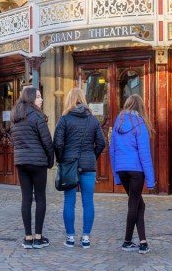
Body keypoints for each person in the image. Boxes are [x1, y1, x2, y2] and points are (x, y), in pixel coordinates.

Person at [53, 88, 106, 249]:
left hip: (69, 164)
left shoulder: (64, 119)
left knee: (69, 201)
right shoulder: (93, 120)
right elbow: (101, 143)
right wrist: (91, 156)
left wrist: (61, 159)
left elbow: (58, 143)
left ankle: (70, 237)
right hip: (88, 164)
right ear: (83, 99)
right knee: (88, 202)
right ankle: (85, 237)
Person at [109, 94, 155, 254]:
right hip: (136, 170)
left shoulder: (118, 122)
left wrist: (116, 175)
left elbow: (112, 150)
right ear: (140, 107)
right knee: (134, 204)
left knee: (139, 204)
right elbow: (144, 153)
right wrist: (150, 181)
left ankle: (141, 241)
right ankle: (129, 241)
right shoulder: (140, 123)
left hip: (122, 169)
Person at [10, 86, 54, 249]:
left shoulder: (16, 116)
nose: (41, 99)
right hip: (37, 162)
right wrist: (50, 161)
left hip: (21, 163)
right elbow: (47, 142)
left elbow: (15, 141)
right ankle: (38, 237)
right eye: (38, 96)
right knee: (40, 197)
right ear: (30, 98)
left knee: (26, 198)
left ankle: (27, 238)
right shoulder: (37, 116)